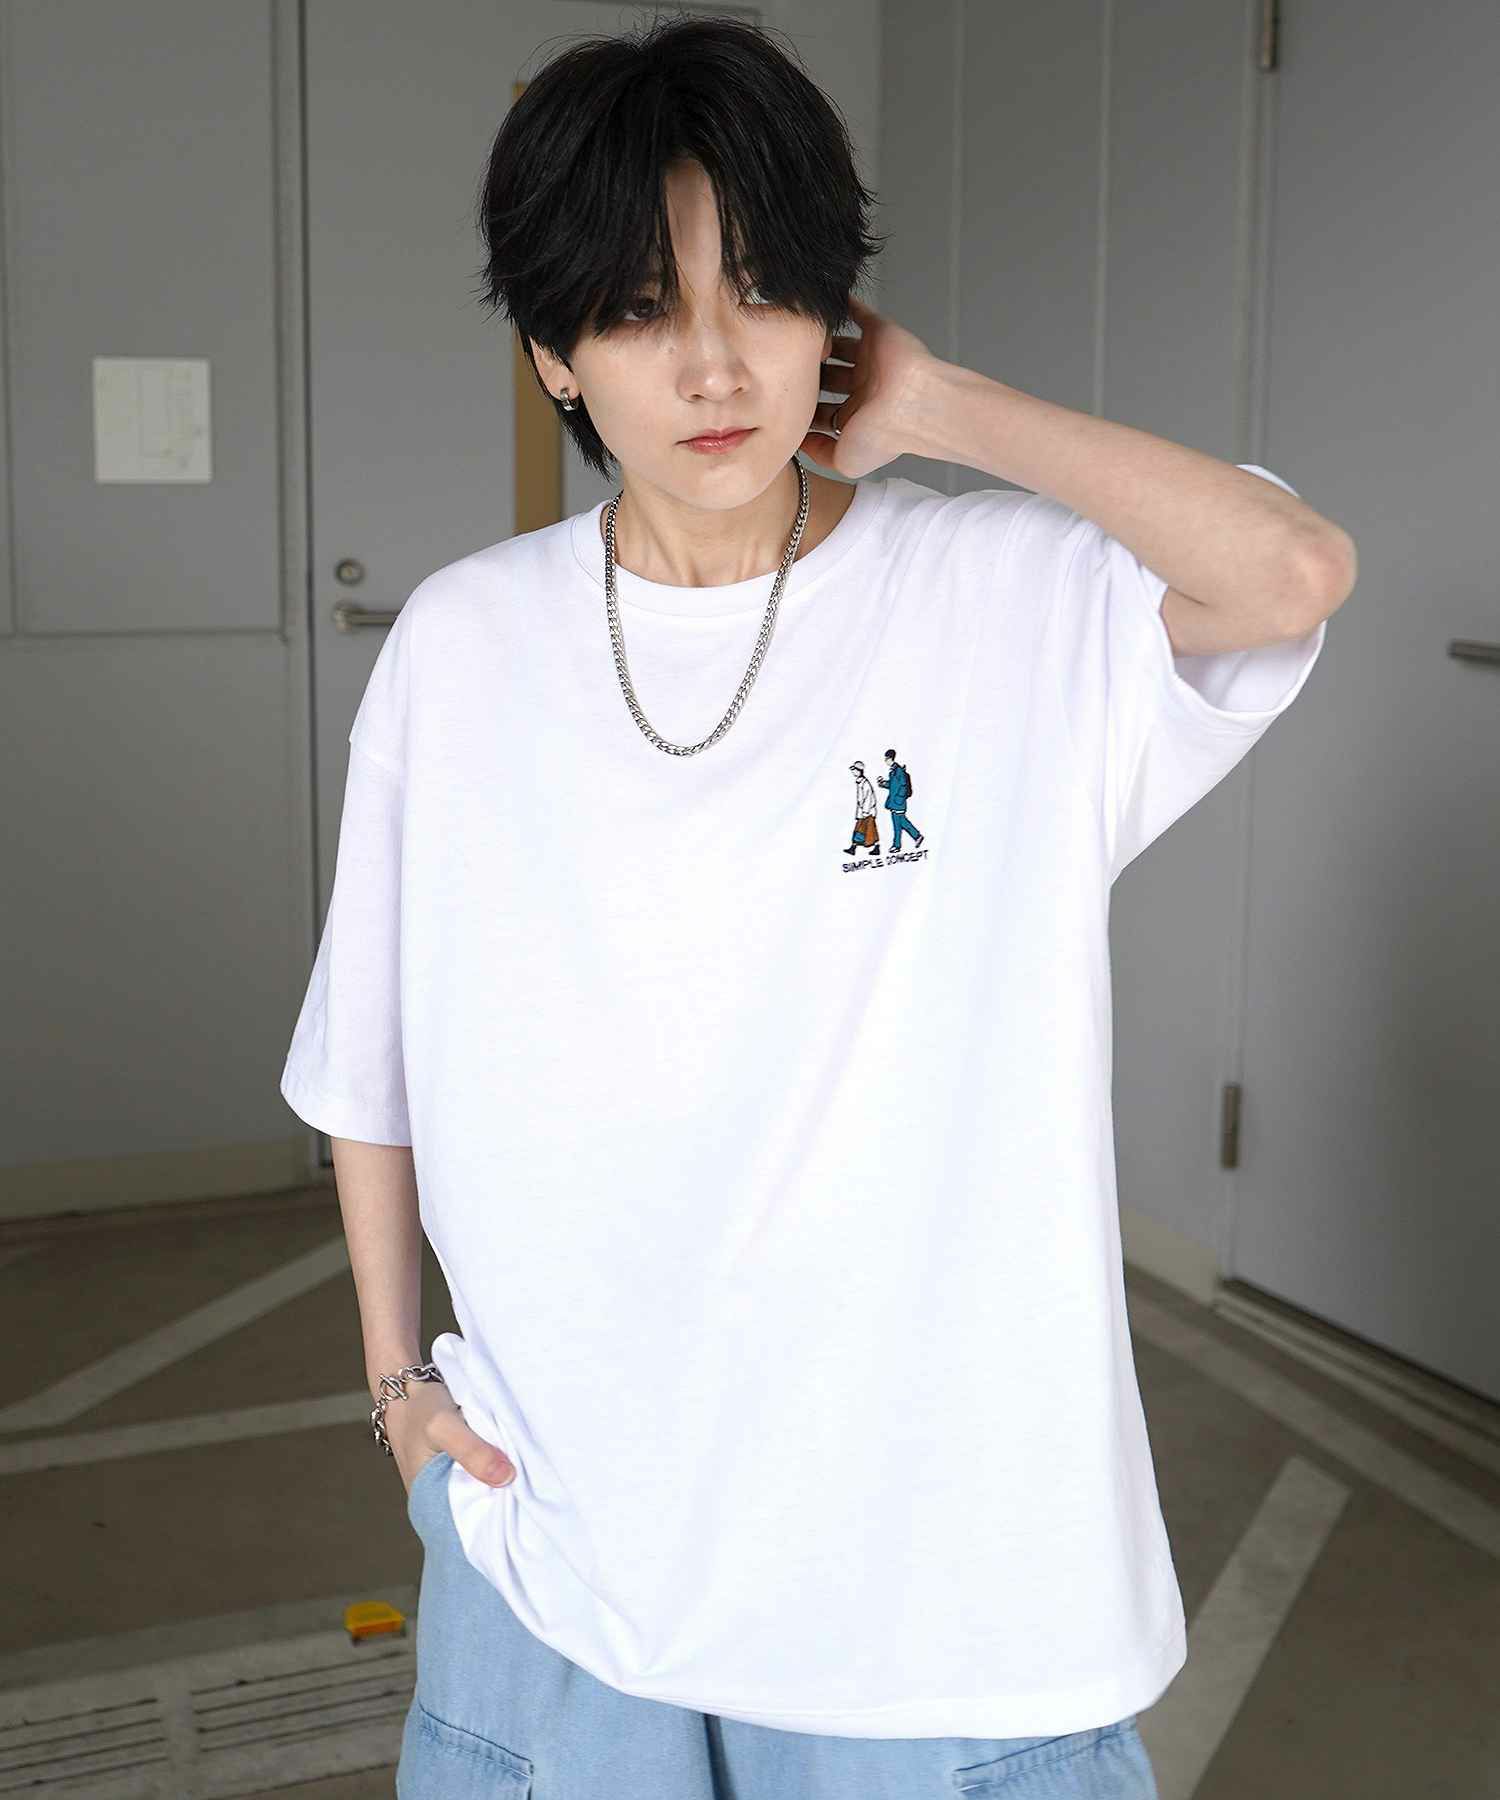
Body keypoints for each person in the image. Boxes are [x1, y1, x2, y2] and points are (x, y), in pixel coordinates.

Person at [279, 16, 1351, 1800]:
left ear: (837, 318)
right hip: (555, 1548)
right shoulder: (463, 646)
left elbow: (1291, 572)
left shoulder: (996, 596)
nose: (715, 366)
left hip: (935, 1588)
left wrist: (938, 409)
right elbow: (364, 1070)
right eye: (640, 311)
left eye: (766, 292)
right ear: (550, 353)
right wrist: (399, 1393)